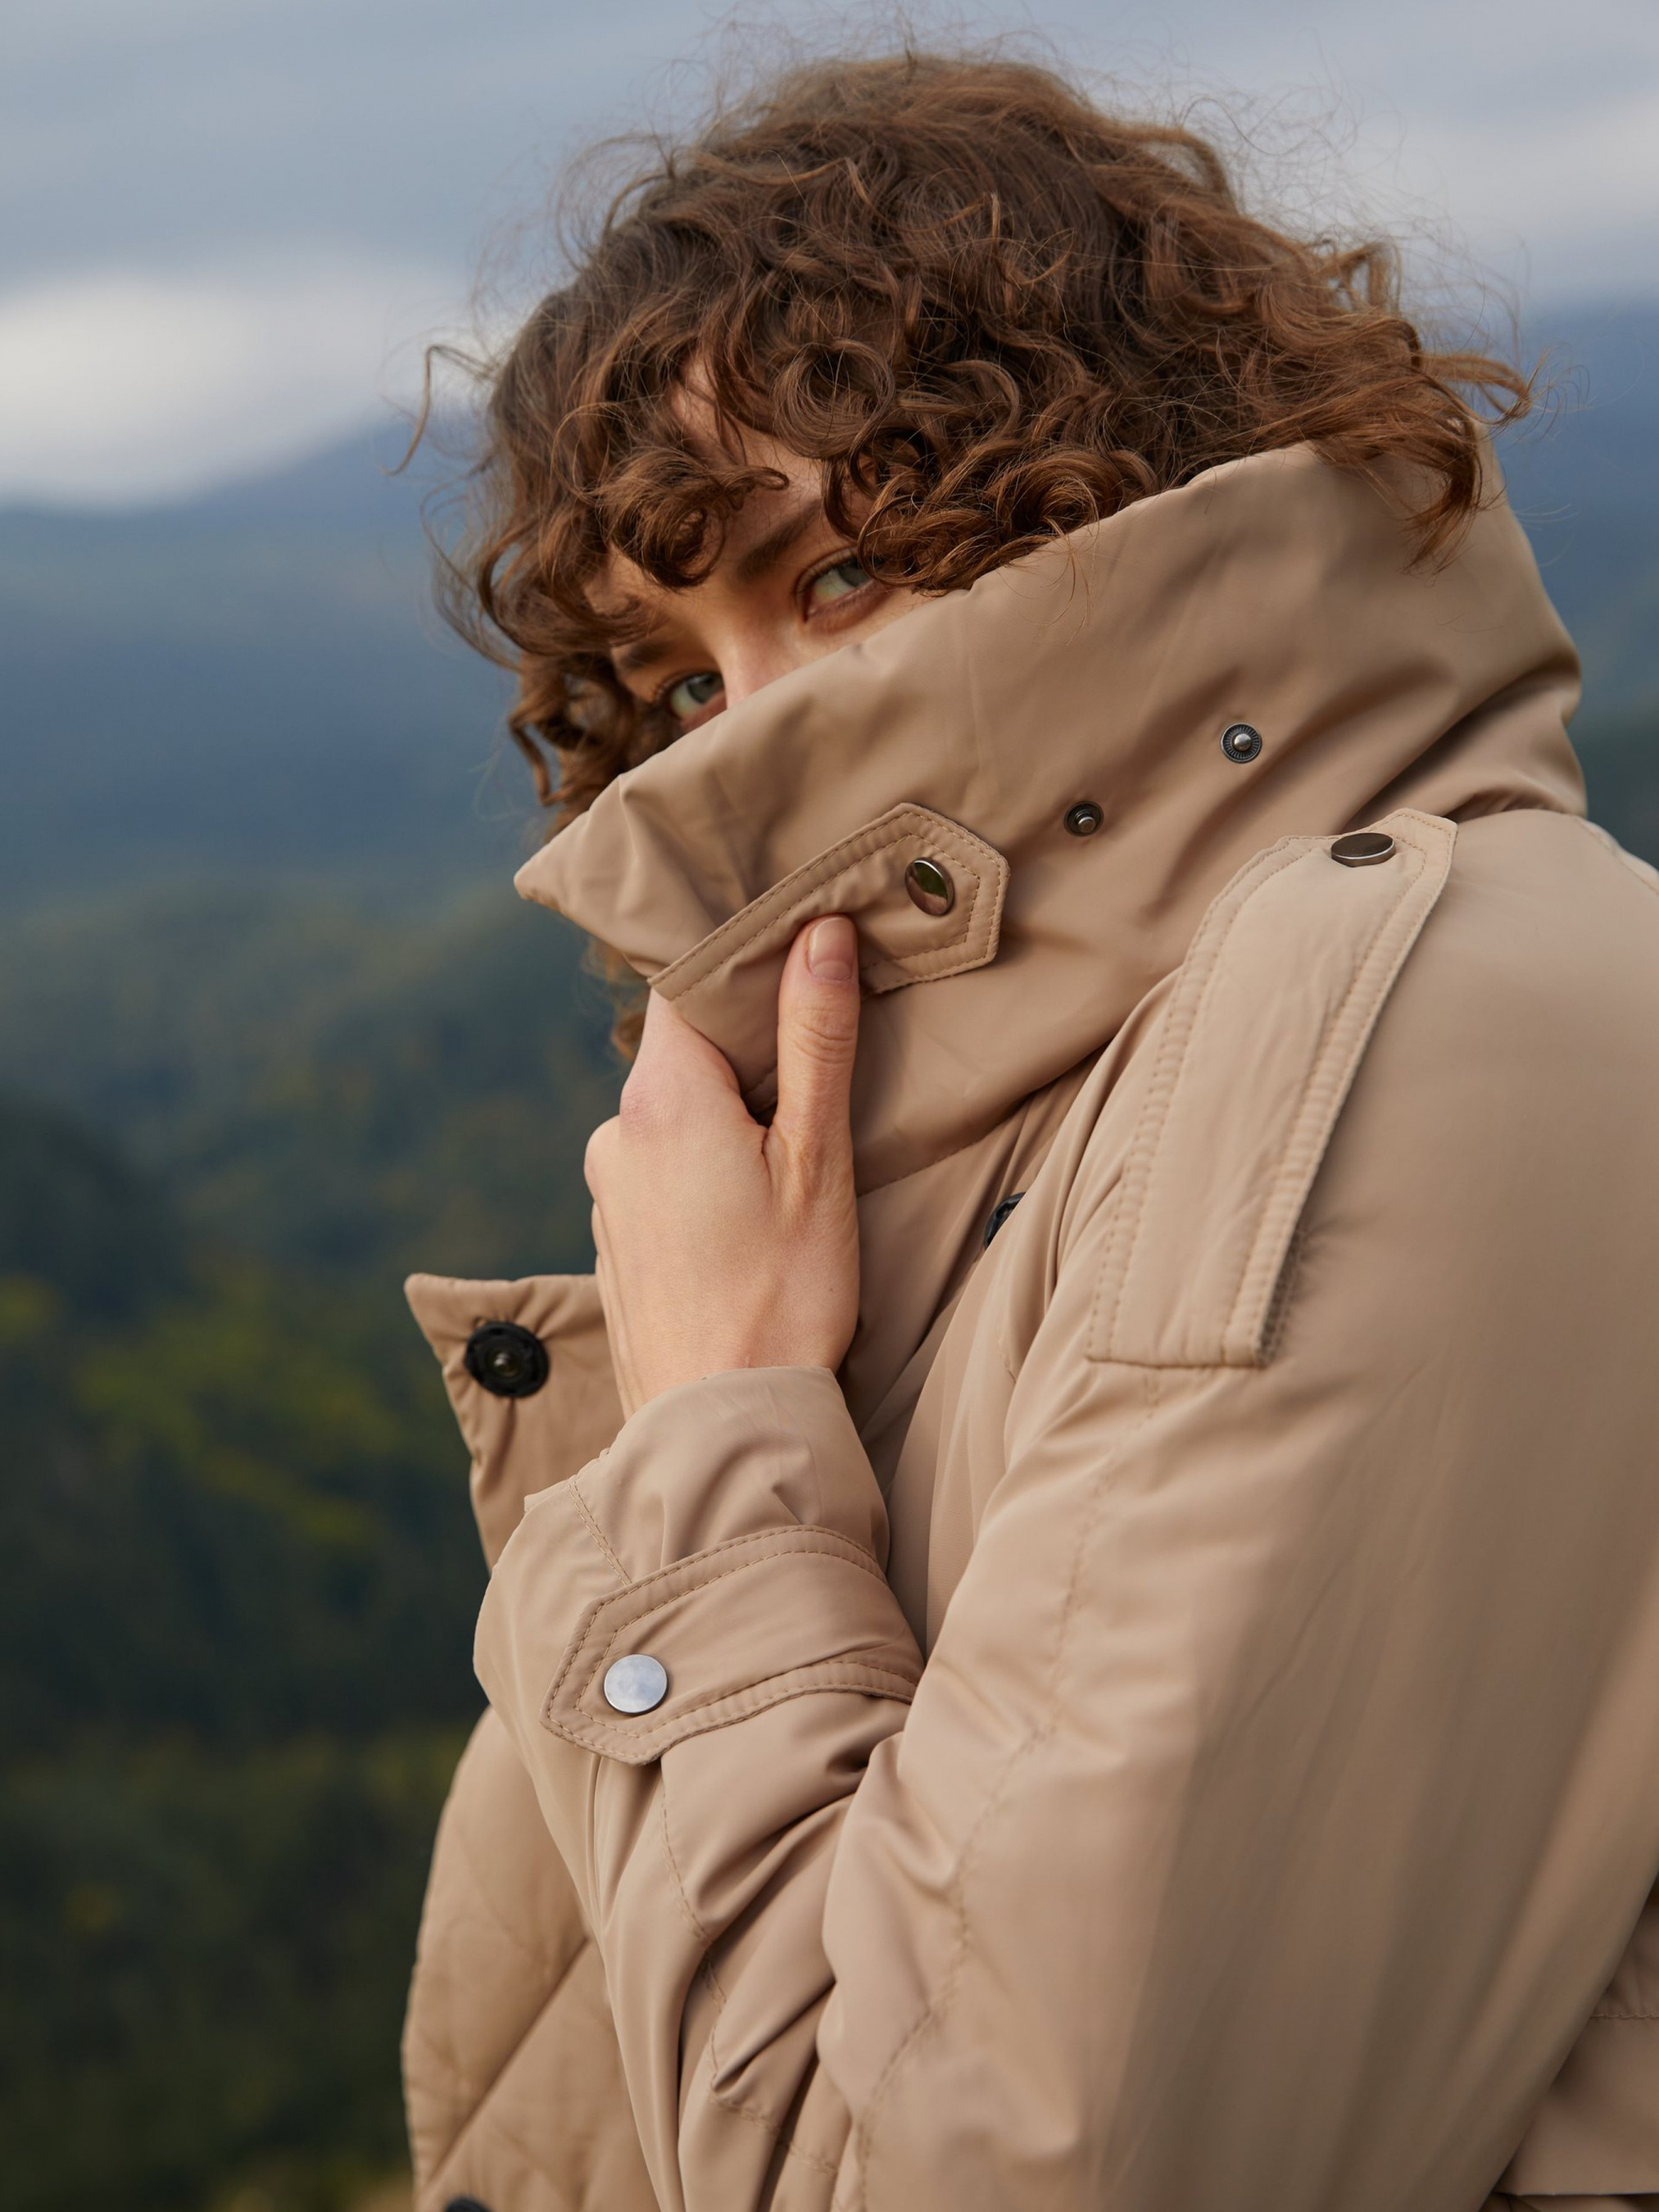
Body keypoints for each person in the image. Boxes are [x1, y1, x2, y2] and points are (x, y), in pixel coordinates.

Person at [402, 51, 1659, 2212]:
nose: (740, 749)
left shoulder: (1415, 1029)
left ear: (1123, 486)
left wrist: (713, 1435)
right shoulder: (1004, 1126)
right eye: (680, 681)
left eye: (838, 576)